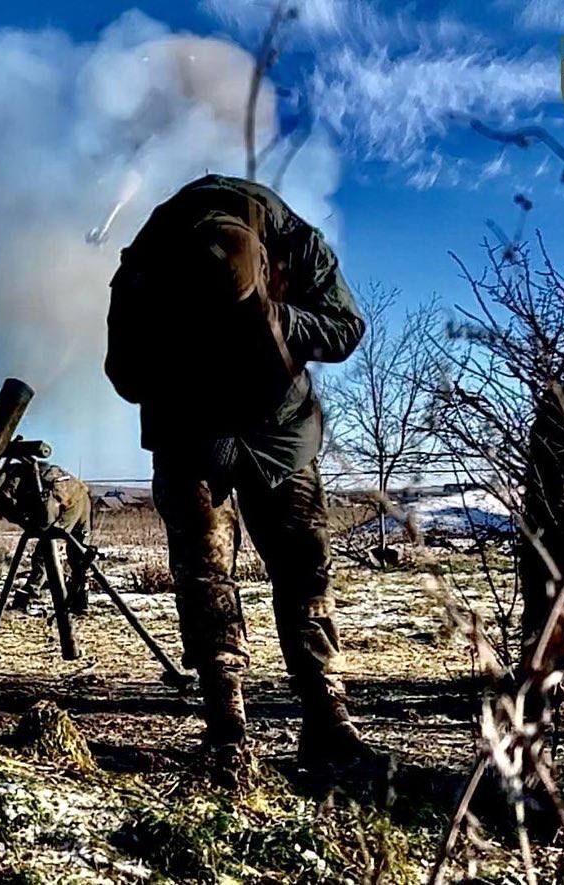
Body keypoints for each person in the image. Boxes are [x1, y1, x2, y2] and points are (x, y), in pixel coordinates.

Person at [105, 173, 368, 788]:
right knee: (203, 572)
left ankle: (328, 717)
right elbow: (124, 372)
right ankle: (226, 725)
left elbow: (346, 328)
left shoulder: (297, 245)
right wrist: (179, 354)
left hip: (281, 431)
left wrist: (280, 322)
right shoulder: (145, 270)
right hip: (191, 433)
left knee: (305, 569)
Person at [0, 462, 93, 614]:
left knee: (47, 550)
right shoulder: (22, 478)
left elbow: (45, 523)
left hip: (73, 502)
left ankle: (30, 595)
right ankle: (79, 599)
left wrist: (31, 524)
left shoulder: (37, 486)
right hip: (75, 497)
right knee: (77, 553)